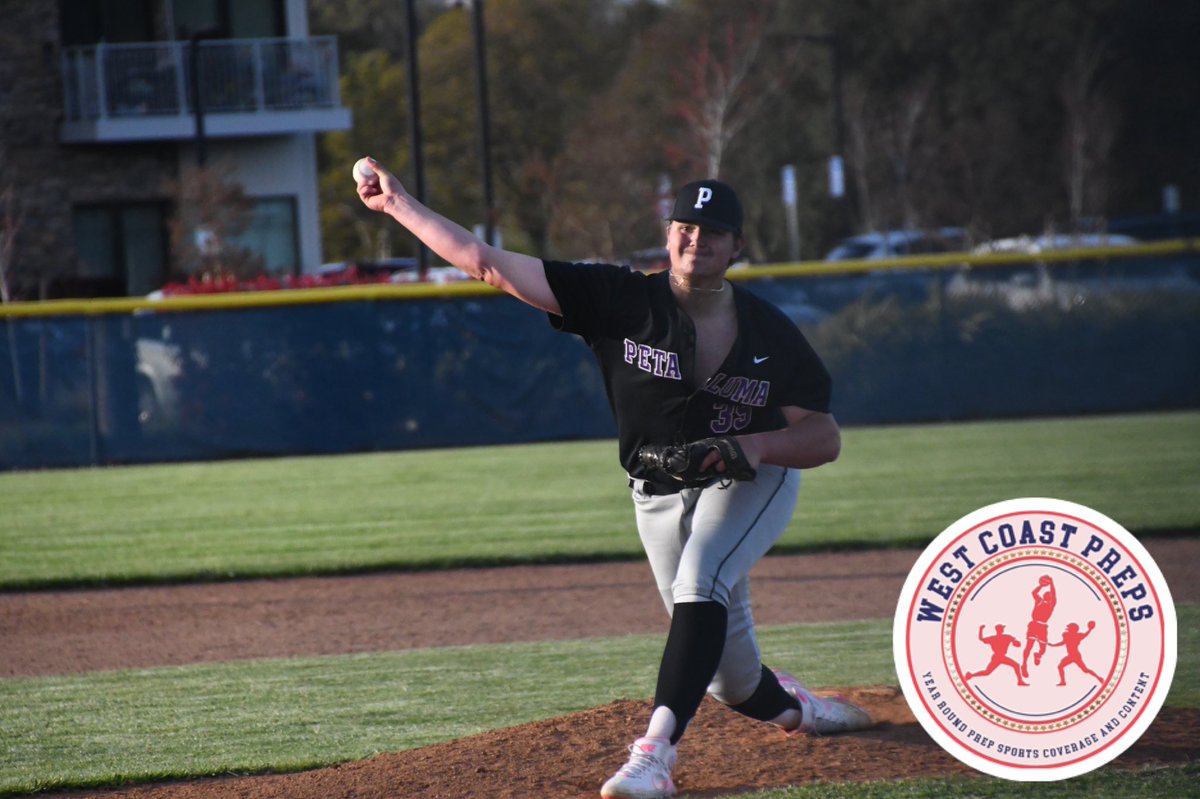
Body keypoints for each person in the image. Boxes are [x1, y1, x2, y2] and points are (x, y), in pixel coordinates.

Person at [354, 157, 872, 799]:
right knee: (730, 681)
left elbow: (823, 437)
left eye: (713, 232)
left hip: (749, 482)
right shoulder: (621, 300)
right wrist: (399, 205)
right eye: (686, 225)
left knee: (699, 580)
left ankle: (654, 754)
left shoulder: (770, 331)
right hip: (653, 493)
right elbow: (486, 262)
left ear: (737, 246)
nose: (696, 239)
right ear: (668, 232)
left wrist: (754, 446)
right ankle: (803, 710)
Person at [964, 624, 1028, 686]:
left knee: (1015, 665)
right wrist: (980, 629)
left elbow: (981, 638)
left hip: (999, 657)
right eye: (1002, 628)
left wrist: (981, 629)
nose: (1003, 629)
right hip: (998, 657)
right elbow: (1017, 643)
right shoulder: (1004, 637)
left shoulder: (1001, 637)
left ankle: (1020, 681)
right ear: (1001, 630)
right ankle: (971, 675)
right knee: (987, 672)